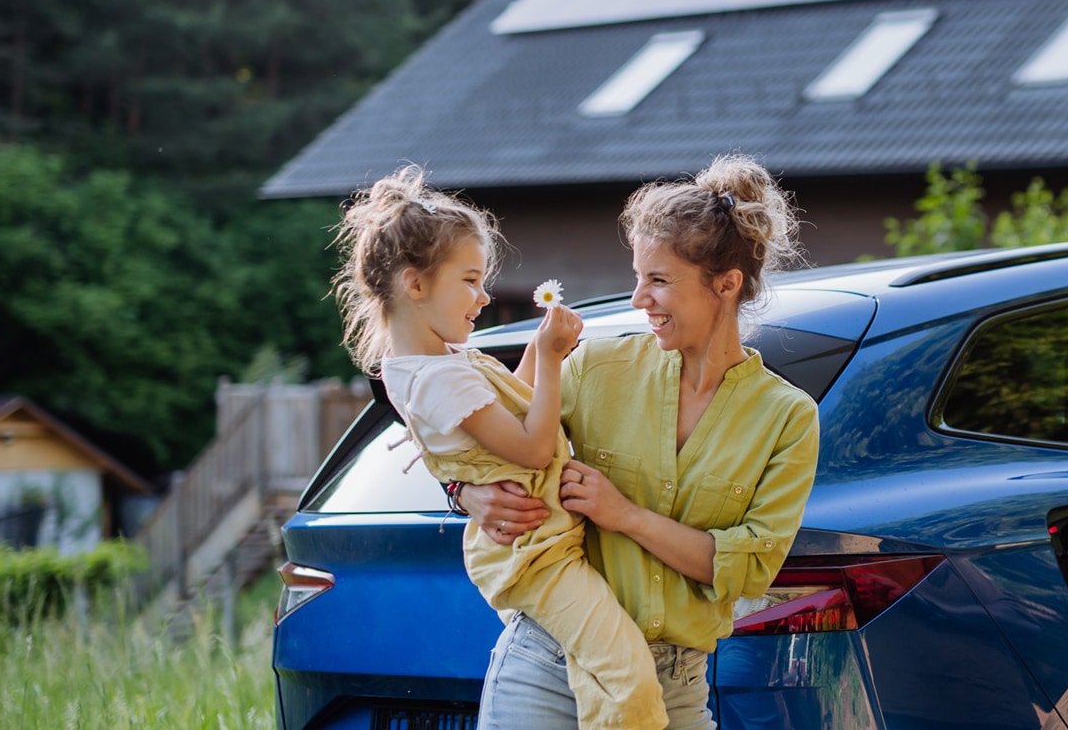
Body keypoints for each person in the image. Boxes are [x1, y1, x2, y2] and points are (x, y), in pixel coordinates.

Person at [455, 154, 820, 730]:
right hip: (548, 665)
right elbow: (476, 439)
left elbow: (748, 569)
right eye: (637, 277)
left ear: (725, 285)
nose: (637, 299)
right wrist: (464, 492)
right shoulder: (594, 367)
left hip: (671, 687)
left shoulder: (787, 418)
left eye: (658, 281)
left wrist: (623, 514)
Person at [330, 165, 666, 729]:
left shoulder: (432, 362)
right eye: (470, 280)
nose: (484, 297)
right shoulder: (438, 377)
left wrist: (538, 348)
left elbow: (520, 403)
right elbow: (534, 447)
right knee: (628, 678)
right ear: (415, 285)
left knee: (599, 681)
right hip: (539, 554)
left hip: (544, 543)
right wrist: (556, 358)